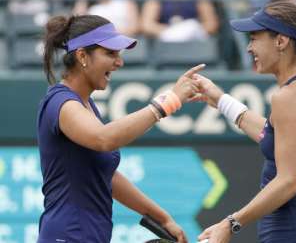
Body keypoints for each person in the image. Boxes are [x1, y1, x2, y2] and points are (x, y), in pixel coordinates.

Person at [37, 14, 204, 243]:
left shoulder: (86, 104)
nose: (119, 62)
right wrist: (169, 101)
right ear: (82, 56)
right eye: (110, 53)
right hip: (68, 235)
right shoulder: (61, 103)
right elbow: (104, 139)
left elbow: (105, 175)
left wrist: (162, 218)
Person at [195, 0, 296, 243]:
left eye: (254, 38)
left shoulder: (288, 98)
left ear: (281, 41)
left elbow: (289, 182)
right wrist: (221, 101)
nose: (249, 48)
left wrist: (230, 224)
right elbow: (274, 135)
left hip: (292, 234)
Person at [142, 0, 219, 42]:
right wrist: (173, 31)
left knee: (192, 25)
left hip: (194, 39)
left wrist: (189, 32)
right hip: (166, 40)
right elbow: (147, 25)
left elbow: (211, 24)